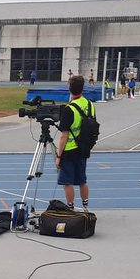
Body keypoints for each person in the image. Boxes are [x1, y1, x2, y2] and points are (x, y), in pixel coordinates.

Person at [54, 74, 95, 212]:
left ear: (70, 89)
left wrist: (58, 156)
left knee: (67, 182)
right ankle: (85, 207)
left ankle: (70, 208)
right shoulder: (90, 105)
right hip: (84, 148)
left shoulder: (69, 109)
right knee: (82, 180)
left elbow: (64, 136)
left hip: (70, 149)